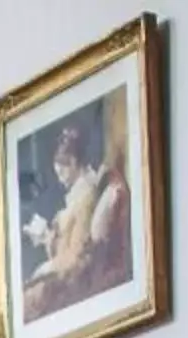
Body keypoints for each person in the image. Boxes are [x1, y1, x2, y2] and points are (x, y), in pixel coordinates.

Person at [19, 115, 132, 320]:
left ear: (73, 163)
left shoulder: (85, 197)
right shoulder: (78, 194)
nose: (60, 177)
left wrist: (46, 265)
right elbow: (69, 242)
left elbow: (76, 256)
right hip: (64, 270)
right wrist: (47, 236)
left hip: (73, 279)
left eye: (62, 170)